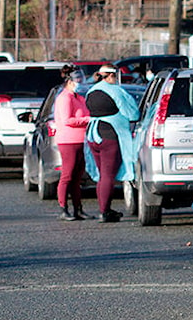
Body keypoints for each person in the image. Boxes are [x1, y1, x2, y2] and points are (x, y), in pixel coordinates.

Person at [84, 65, 139, 223]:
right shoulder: (116, 91)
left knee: (103, 175)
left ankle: (104, 208)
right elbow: (132, 113)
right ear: (110, 76)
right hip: (110, 135)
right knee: (108, 175)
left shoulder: (90, 92)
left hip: (93, 135)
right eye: (115, 76)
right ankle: (105, 211)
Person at [54, 70, 90, 221]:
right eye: (77, 81)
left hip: (81, 140)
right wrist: (88, 119)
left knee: (77, 177)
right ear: (69, 82)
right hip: (68, 141)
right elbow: (67, 120)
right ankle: (64, 208)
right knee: (67, 175)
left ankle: (78, 208)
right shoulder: (64, 98)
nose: (80, 84)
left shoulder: (78, 97)